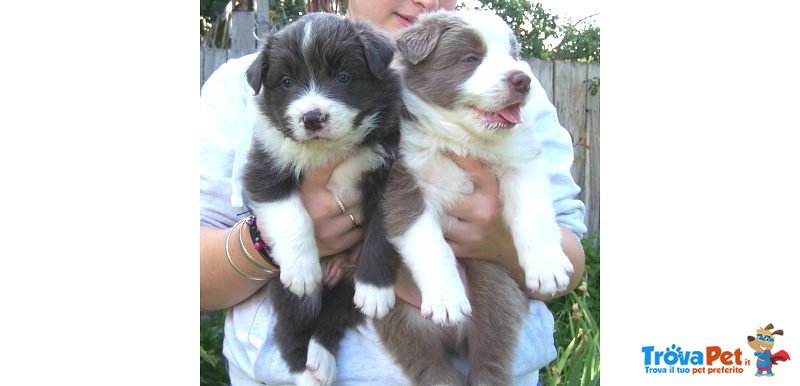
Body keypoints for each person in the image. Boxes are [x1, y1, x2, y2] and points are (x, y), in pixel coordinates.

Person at [200, 0, 588, 384]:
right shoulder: (239, 86)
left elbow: (568, 258)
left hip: (498, 362)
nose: (427, 0)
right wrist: (272, 241)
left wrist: (502, 243)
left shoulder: (513, 95)